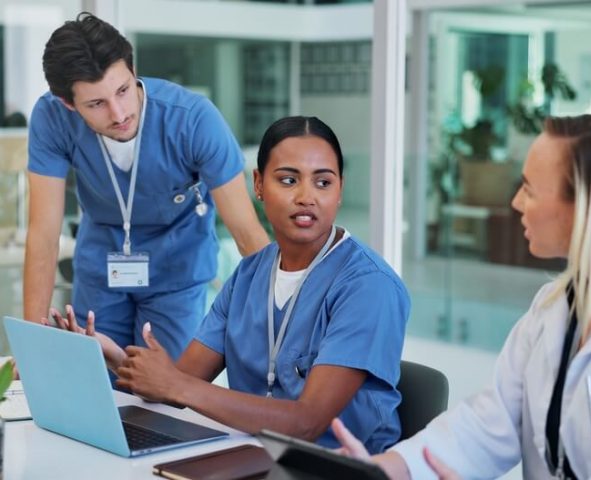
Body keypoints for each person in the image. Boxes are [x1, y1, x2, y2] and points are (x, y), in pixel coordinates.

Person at [52, 115, 410, 452]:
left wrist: (177, 386)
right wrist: (113, 356)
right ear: (258, 184)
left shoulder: (368, 286)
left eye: (323, 182)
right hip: (251, 454)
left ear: (340, 189)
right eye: (288, 180)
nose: (307, 196)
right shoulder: (248, 275)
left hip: (335, 469)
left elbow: (307, 423)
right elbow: (179, 381)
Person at [333, 113, 591, 479]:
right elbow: (486, 426)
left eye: (528, 189)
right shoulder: (551, 310)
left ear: (587, 208)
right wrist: (384, 469)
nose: (515, 202)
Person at [24, 12, 269, 360]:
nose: (119, 112)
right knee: (97, 384)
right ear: (68, 104)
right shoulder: (52, 118)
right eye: (96, 104)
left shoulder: (194, 120)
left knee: (164, 389)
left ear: (133, 70)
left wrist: (285, 330)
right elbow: (43, 234)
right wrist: (32, 343)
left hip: (177, 271)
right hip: (102, 266)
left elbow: (247, 233)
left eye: (123, 90)